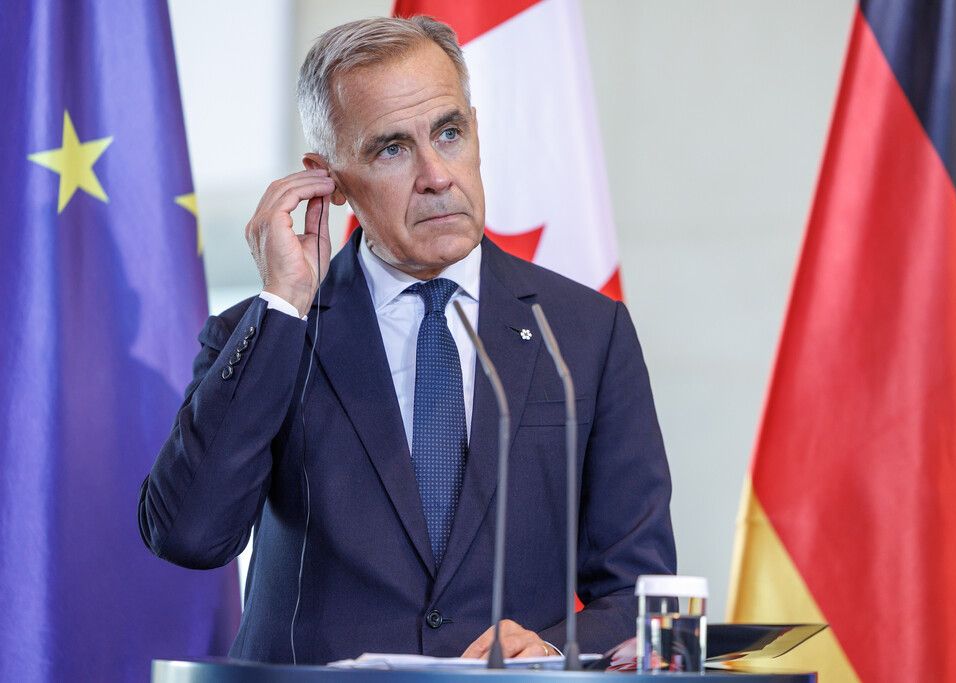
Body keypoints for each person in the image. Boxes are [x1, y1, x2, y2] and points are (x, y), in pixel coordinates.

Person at [138, 15, 675, 665]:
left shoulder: (588, 333)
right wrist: (283, 303)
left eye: (449, 133)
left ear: (475, 129)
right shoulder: (268, 331)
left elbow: (641, 592)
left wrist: (546, 649)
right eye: (392, 148)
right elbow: (190, 534)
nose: (436, 174)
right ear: (327, 177)